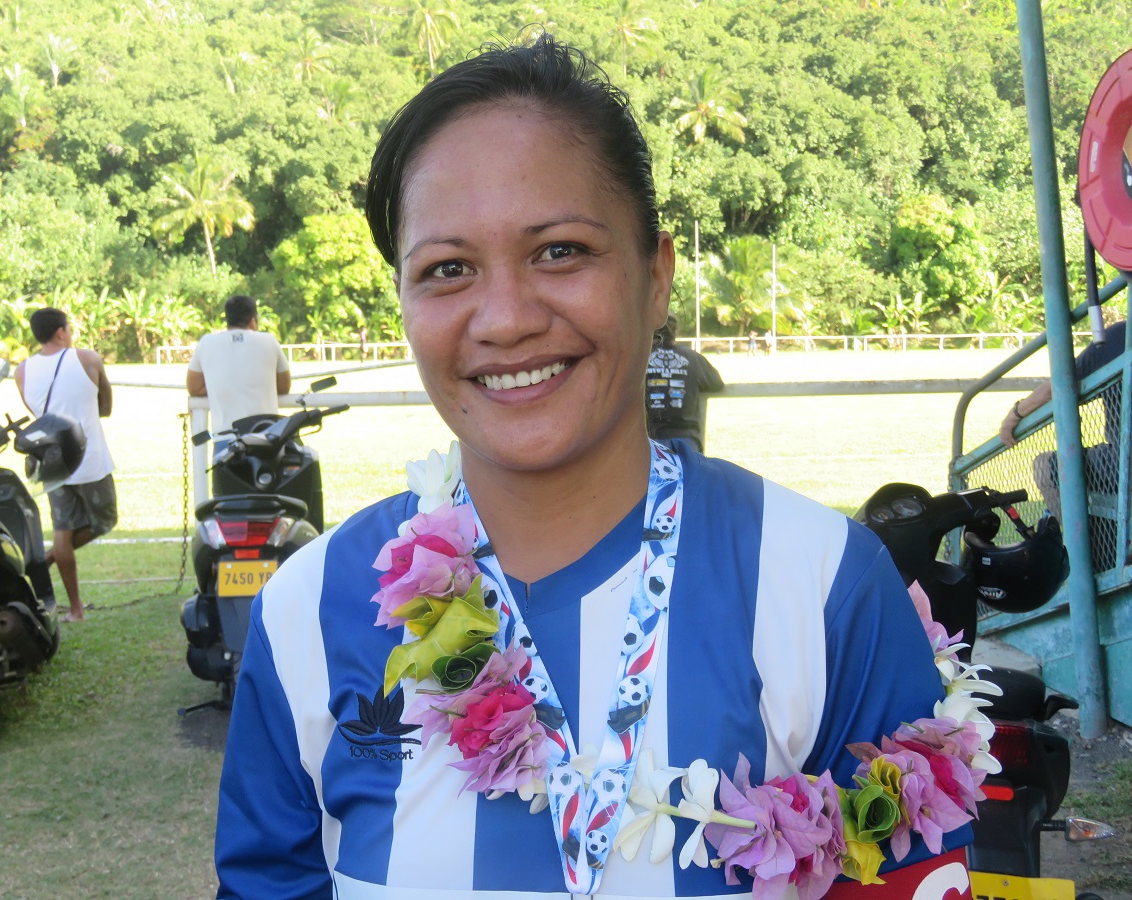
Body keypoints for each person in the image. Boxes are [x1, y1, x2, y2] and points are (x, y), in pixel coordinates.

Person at [216, 37, 977, 898]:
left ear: (655, 277)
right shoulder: (307, 613)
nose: (504, 319)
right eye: (448, 269)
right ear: (402, 301)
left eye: (560, 251)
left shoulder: (823, 584)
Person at [15, 308, 117, 622]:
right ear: (61, 332)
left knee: (63, 528)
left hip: (52, 461)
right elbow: (106, 407)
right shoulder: (87, 359)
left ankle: (74, 609)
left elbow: (37, 414)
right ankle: (50, 558)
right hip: (89, 458)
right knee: (105, 520)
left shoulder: (22, 371)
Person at [1000, 319, 1125, 567]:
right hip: (1118, 463)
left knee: (1044, 467)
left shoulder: (1118, 336)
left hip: (1124, 464)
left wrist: (1015, 414)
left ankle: (1080, 556)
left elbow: (1058, 387)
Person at [186, 295, 291, 443]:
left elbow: (194, 387)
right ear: (253, 321)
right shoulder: (269, 341)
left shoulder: (206, 343)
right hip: (265, 438)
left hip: (225, 439)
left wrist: (223, 385)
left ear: (228, 319)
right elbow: (284, 386)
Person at [645, 312, 724, 453]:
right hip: (686, 440)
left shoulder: (640, 358)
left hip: (649, 441)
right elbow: (716, 383)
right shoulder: (692, 358)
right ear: (675, 331)